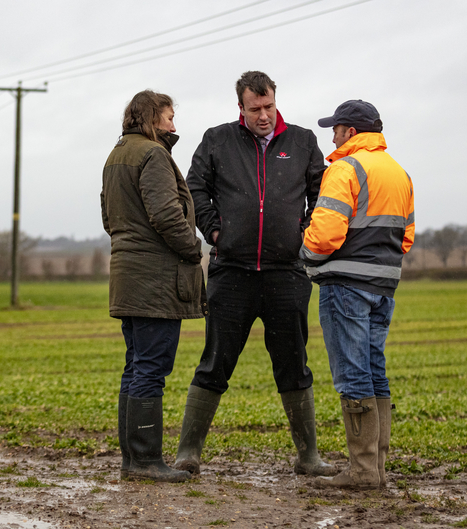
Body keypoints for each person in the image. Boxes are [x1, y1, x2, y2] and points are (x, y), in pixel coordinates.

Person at [173, 71, 337, 477]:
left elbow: (321, 193)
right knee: (214, 362)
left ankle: (309, 457)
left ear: (275, 101)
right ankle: (188, 452)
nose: (263, 116)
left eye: (269, 107)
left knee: (294, 363)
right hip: (232, 273)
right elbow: (195, 189)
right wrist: (215, 230)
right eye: (254, 109)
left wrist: (303, 232)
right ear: (240, 108)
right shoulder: (217, 139)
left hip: (287, 273)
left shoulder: (302, 141)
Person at [301, 100, 415, 489]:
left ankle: (363, 472)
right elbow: (407, 237)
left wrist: (304, 255)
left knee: (352, 374)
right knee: (374, 370)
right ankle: (376, 468)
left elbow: (326, 233)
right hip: (384, 287)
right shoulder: (399, 173)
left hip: (345, 285)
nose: (331, 134)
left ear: (350, 131)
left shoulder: (345, 168)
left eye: (335, 128)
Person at [101, 90, 205, 483]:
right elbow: (166, 214)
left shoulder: (116, 156)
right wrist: (193, 249)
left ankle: (133, 460)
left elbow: (108, 216)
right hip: (155, 281)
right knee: (150, 370)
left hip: (127, 275)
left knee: (136, 367)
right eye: (169, 117)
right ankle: (145, 461)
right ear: (151, 118)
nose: (174, 126)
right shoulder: (154, 154)